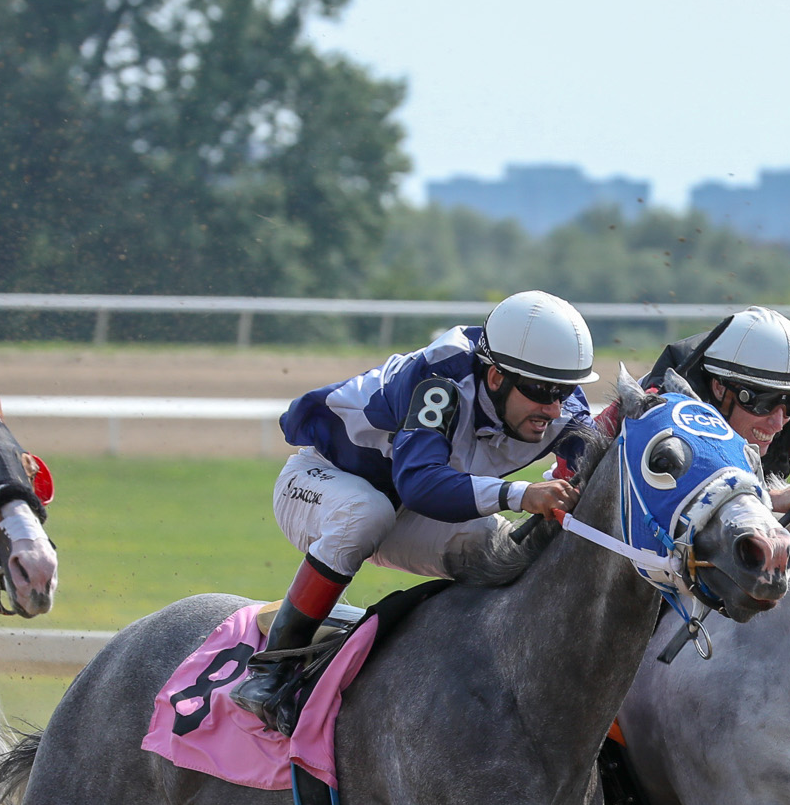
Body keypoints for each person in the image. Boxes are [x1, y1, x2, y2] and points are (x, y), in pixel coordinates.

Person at [226, 290, 599, 730]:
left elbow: (588, 477)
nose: (553, 407)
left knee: (495, 548)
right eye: (539, 391)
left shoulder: (562, 409)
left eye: (564, 390)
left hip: (404, 507)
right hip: (318, 483)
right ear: (496, 377)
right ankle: (272, 669)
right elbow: (419, 483)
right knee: (368, 512)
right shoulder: (440, 380)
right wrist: (521, 494)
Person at [578, 307, 790, 514]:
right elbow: (662, 498)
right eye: (763, 402)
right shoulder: (659, 407)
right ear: (719, 388)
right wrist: (770, 497)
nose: (777, 422)